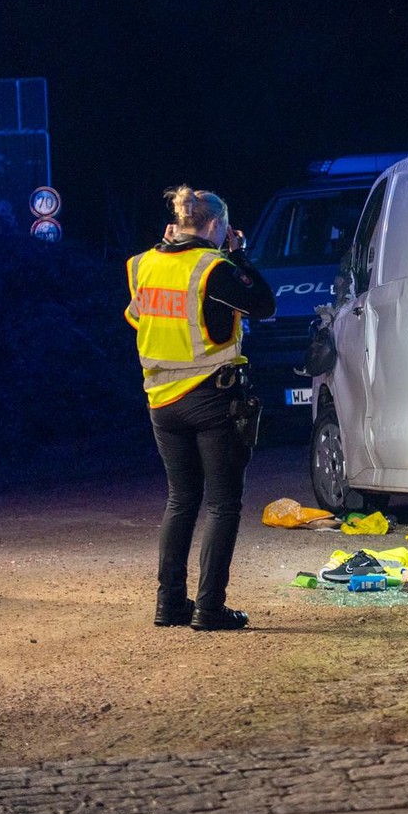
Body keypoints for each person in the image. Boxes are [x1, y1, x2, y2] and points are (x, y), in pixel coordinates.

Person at [126, 185, 275, 630]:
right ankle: (209, 609)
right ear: (215, 225)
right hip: (212, 398)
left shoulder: (141, 265)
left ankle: (170, 605)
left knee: (181, 500)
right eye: (225, 228)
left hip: (161, 402)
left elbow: (138, 317)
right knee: (223, 505)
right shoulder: (214, 268)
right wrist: (240, 256)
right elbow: (264, 305)